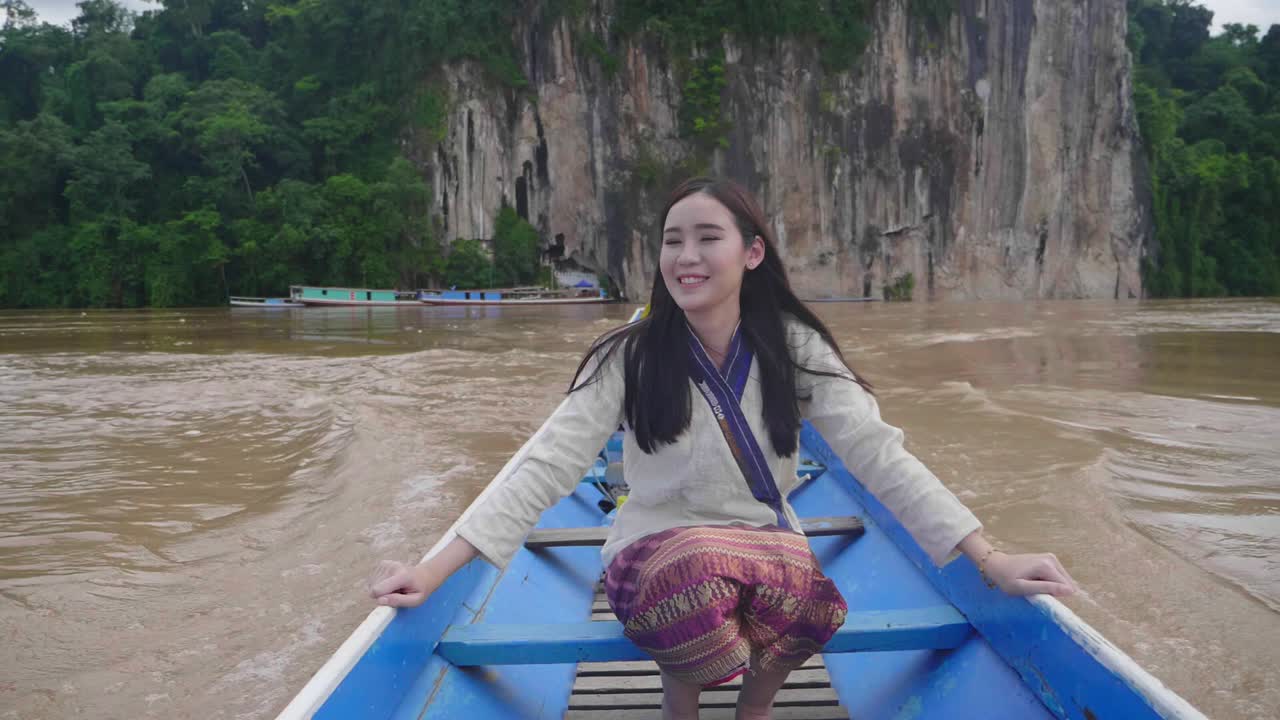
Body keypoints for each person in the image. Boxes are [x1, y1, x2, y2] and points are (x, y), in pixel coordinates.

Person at [370, 177, 1077, 720]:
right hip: (655, 556)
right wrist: (435, 571)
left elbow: (879, 455)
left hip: (763, 546)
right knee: (698, 569)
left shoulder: (794, 349)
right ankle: (681, 705)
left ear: (752, 251)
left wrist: (989, 560)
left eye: (707, 237)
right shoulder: (630, 355)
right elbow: (544, 463)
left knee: (816, 600)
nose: (685, 256)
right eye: (673, 240)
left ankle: (754, 705)